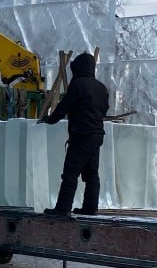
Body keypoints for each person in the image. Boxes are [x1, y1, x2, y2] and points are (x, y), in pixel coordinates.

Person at [39, 51, 109, 219]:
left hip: (81, 134)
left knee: (70, 173)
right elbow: (104, 110)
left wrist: (49, 120)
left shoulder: (77, 85)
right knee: (91, 173)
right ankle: (90, 207)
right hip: (97, 134)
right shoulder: (101, 88)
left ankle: (63, 209)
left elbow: (64, 107)